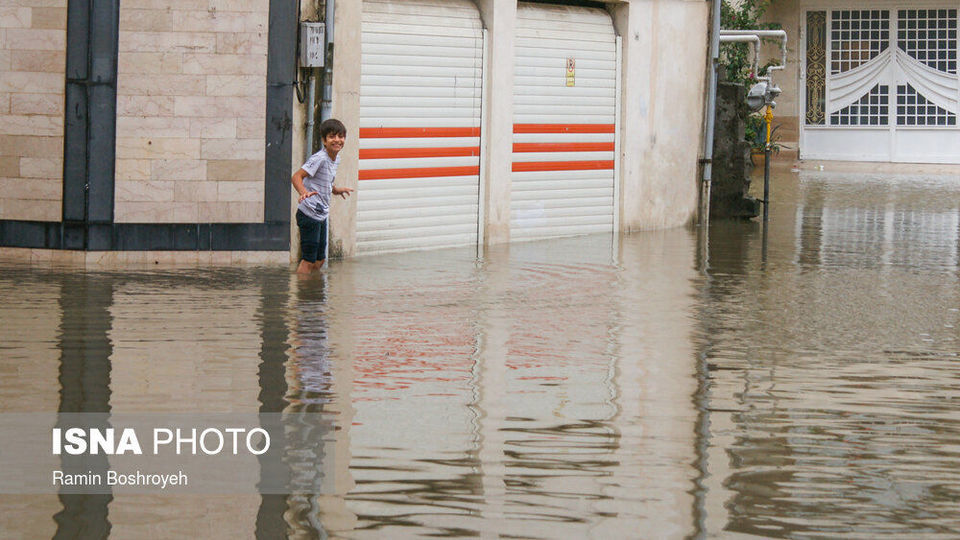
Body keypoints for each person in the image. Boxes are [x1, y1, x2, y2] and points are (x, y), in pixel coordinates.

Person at [291, 118, 354, 274]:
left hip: (321, 215)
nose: (337, 140)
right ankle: (304, 295)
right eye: (332, 137)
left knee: (320, 260)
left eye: (340, 136)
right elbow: (296, 176)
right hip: (309, 214)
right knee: (308, 260)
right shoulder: (319, 158)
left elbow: (325, 182)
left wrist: (336, 190)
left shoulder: (335, 159)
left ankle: (313, 291)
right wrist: (303, 192)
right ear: (324, 141)